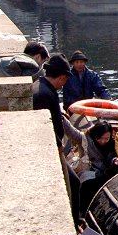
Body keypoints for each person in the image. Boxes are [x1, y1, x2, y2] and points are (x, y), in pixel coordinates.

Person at [32, 53, 80, 223]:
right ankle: (72, 223)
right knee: (72, 183)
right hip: (50, 148)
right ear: (61, 78)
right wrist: (58, 145)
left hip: (52, 146)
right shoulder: (43, 95)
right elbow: (45, 125)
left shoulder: (41, 87)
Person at [0, 41, 49, 130]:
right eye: (43, 62)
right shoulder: (39, 73)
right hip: (24, 119)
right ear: (38, 56)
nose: (42, 65)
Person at [62, 118, 118, 214]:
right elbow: (71, 132)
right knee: (86, 184)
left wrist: (115, 160)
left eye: (106, 138)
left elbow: (112, 157)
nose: (103, 141)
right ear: (95, 135)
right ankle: (83, 212)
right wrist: (61, 118)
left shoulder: (112, 143)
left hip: (105, 172)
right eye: (100, 138)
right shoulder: (85, 139)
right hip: (91, 172)